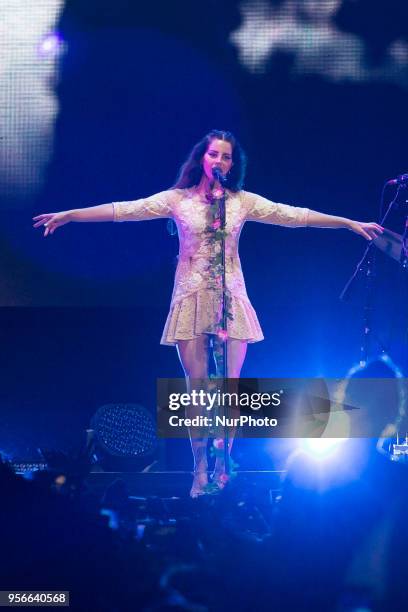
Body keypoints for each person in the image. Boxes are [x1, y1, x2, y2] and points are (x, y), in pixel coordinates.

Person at [33, 129, 383, 497]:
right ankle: (199, 469)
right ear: (203, 157)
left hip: (230, 301)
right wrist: (71, 214)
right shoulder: (177, 200)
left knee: (229, 392)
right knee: (198, 394)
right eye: (214, 154)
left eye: (227, 157)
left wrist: (348, 223)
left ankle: (222, 470)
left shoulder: (242, 202)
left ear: (233, 164)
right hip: (191, 300)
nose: (220, 161)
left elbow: (291, 215)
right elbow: (126, 210)